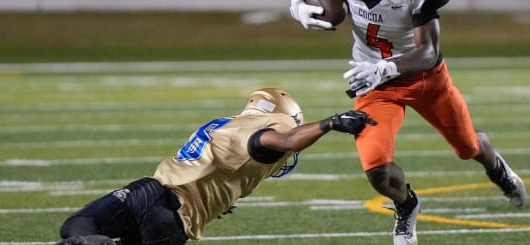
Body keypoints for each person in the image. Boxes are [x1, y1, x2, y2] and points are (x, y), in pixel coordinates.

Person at [288, 0, 526, 245]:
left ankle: (498, 170)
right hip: (374, 86)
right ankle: (406, 205)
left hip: (424, 78)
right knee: (376, 169)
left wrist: (384, 67)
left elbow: (427, 51)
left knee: (468, 145)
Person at [55, 88, 376, 245]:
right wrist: (331, 123)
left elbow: (213, 167)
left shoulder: (226, 124)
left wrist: (217, 199)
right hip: (171, 218)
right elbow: (287, 141)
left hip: (148, 189)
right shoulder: (264, 132)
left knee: (77, 227)